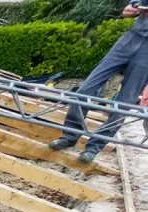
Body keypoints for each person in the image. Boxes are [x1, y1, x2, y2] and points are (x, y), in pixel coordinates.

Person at [49, 1, 148, 163]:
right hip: (130, 38)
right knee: (85, 90)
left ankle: (94, 148)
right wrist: (133, 9)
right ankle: (70, 136)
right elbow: (129, 9)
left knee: (124, 104)